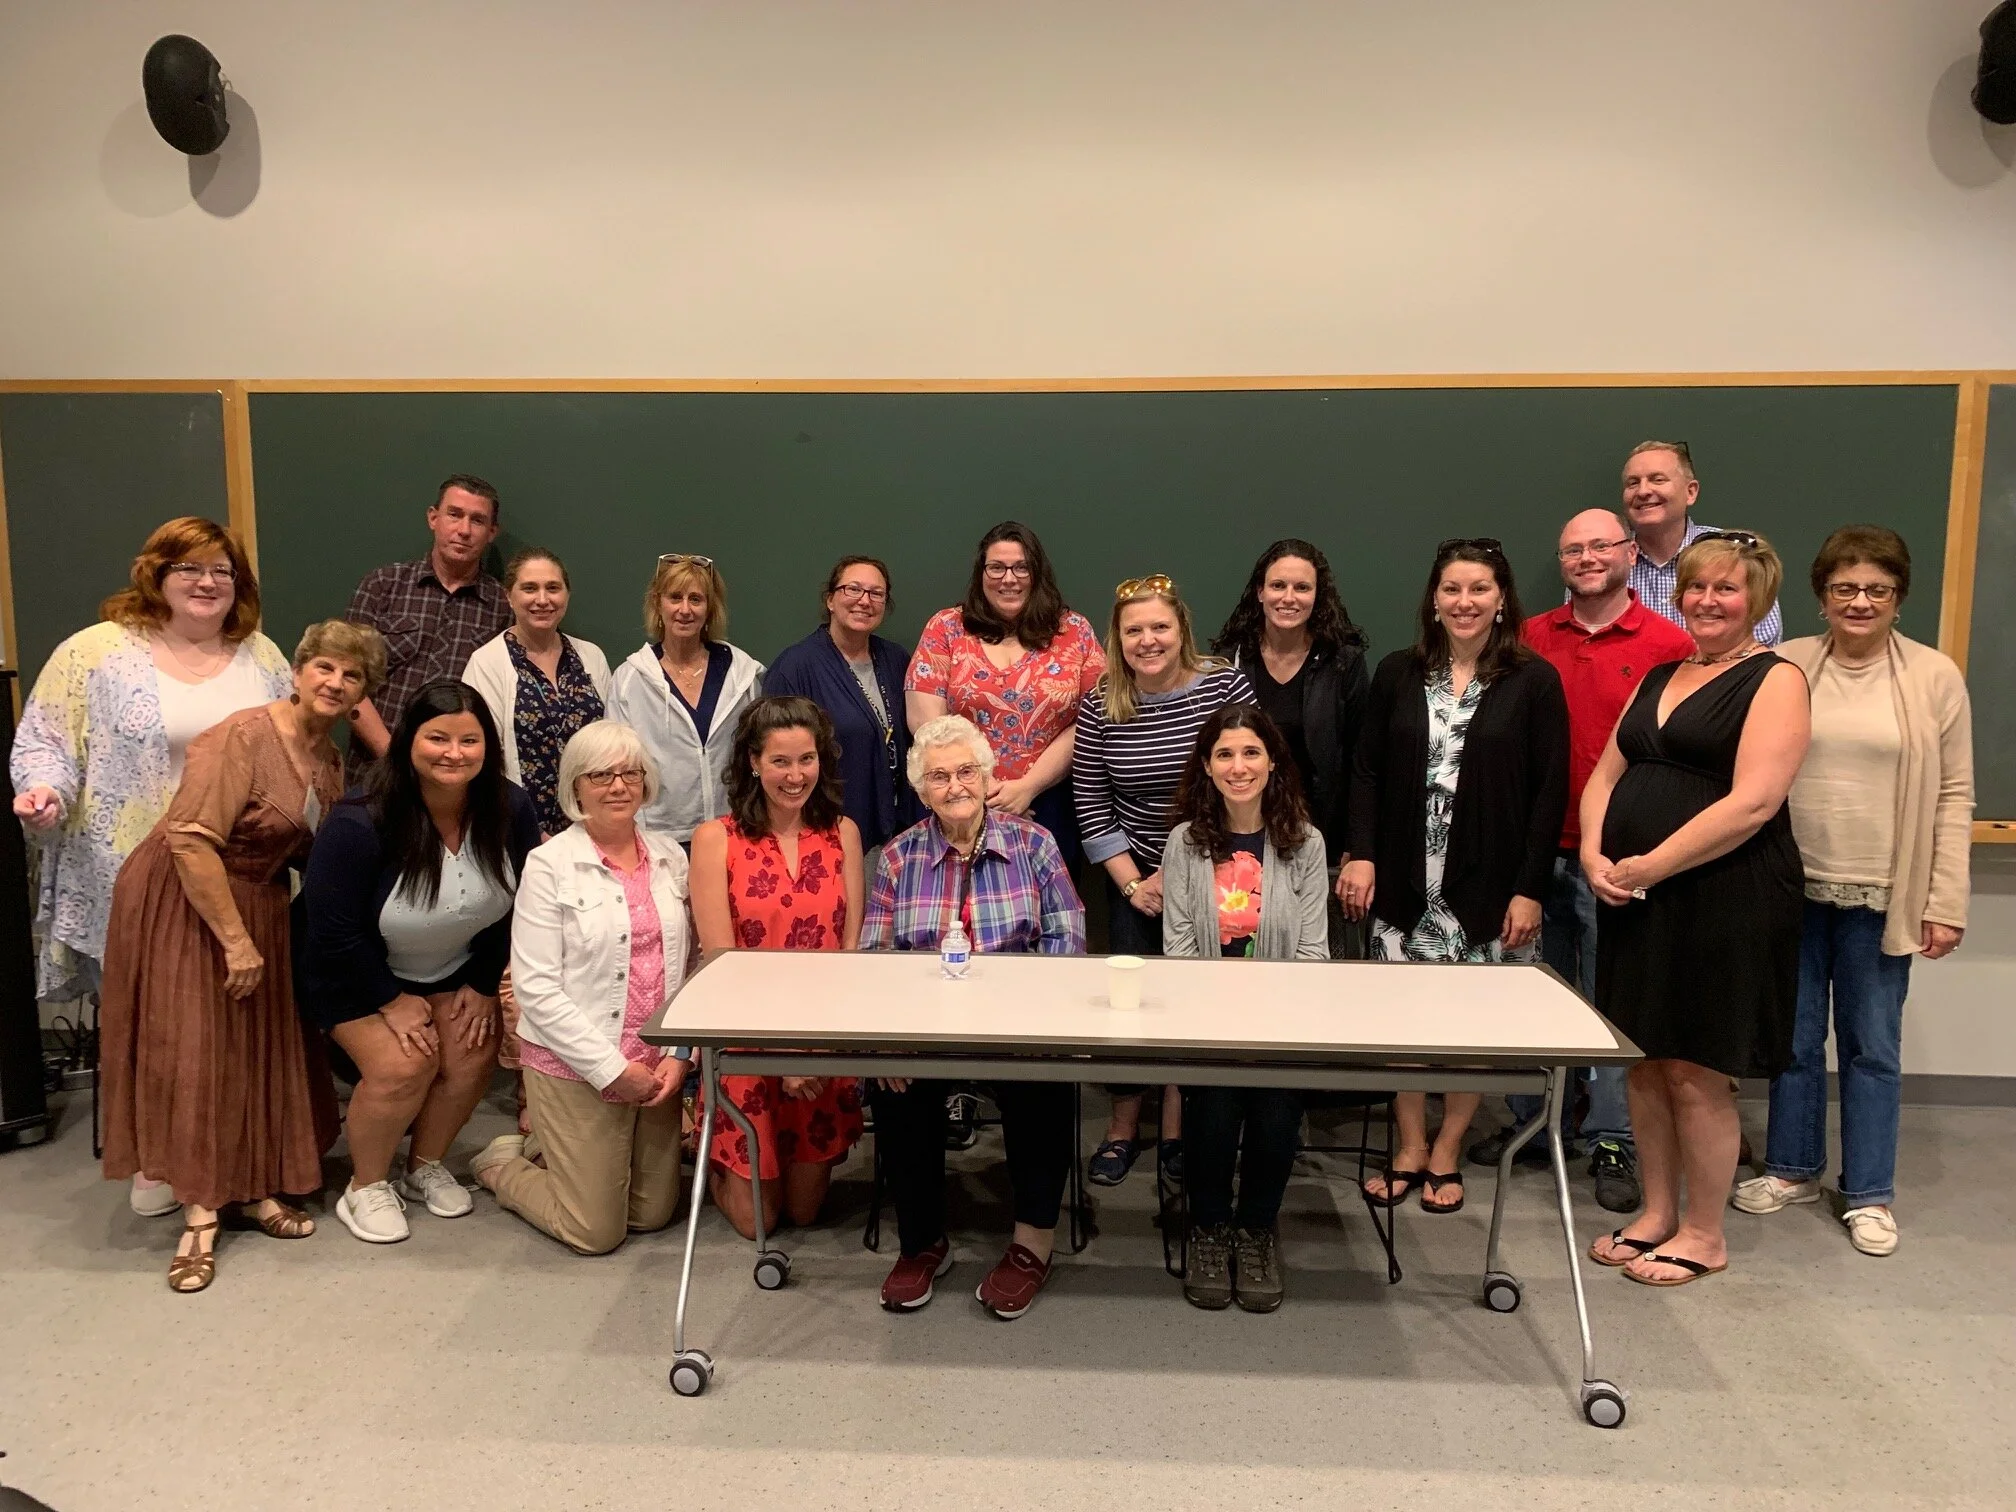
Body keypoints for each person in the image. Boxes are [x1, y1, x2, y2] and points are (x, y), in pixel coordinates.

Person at [10, 516, 291, 1218]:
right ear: (156, 575)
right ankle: (161, 1161)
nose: (206, 582)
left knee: (237, 1020)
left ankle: (238, 1155)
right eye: (188, 568)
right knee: (159, 1024)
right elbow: (46, 740)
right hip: (140, 872)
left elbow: (293, 747)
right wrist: (43, 791)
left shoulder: (262, 657)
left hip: (243, 872)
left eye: (221, 571)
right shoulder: (95, 654)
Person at [97, 622, 384, 1291]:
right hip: (190, 901)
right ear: (300, 670)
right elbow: (191, 840)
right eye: (325, 668)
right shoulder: (242, 736)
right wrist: (234, 939)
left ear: (361, 695)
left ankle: (255, 1190)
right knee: (199, 1050)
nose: (334, 683)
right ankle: (200, 1214)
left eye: (351, 677)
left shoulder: (331, 760)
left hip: (260, 901)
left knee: (256, 1047)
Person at [1735, 526, 1973, 1258]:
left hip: (1885, 891)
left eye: (1877, 590)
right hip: (1790, 887)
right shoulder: (1787, 664)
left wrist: (1946, 900)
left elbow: (1956, 793)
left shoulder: (1934, 677)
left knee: (1871, 1046)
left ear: (1899, 598)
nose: (1860, 602)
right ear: (1822, 595)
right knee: (1796, 1040)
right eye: (1845, 589)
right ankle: (1792, 1169)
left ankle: (1868, 1192)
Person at [1582, 530, 1809, 1286]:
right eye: (1696, 588)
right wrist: (1592, 852)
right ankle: (1655, 1214)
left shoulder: (1776, 680)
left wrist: (1651, 863)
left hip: (1725, 896)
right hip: (1638, 898)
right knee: (1645, 1063)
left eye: (1727, 590)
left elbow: (1754, 803)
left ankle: (1704, 1232)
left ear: (1758, 602)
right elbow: (1607, 775)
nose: (1708, 601)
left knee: (1697, 1070)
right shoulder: (1660, 673)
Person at [1471, 510, 1694, 1211]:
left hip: (1623, 861)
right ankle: (1535, 1125)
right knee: (1527, 993)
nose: (1588, 558)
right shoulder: (1528, 640)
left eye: (1601, 545)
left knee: (1610, 1003)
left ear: (1630, 552)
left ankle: (1612, 1137)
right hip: (1532, 855)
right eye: (1573, 549)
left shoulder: (1670, 644)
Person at [1342, 539, 1568, 1214]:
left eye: (1478, 590)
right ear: (1433, 600)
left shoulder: (1533, 680)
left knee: (1470, 1027)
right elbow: (1366, 772)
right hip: (1406, 885)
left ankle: (1450, 1146)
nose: (1464, 602)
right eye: (1451, 590)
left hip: (1487, 887)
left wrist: (1529, 887)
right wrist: (1360, 853)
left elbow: (1547, 792)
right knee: (1403, 1025)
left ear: (1501, 601)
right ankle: (1411, 1143)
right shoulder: (1396, 673)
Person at [298, 679, 541, 1245]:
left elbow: (523, 903)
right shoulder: (361, 820)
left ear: (488, 747)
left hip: (454, 966)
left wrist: (483, 983)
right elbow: (333, 931)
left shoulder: (511, 807)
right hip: (352, 973)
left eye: (469, 740)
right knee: (404, 1064)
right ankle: (367, 1184)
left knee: (474, 1053)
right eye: (438, 738)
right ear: (409, 740)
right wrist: (391, 1000)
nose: (453, 753)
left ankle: (423, 1165)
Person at [864, 715, 1086, 1320]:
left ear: (987, 776)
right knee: (895, 1084)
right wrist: (888, 1044)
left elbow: (1068, 939)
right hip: (926, 1030)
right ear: (921, 788)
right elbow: (874, 959)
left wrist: (1037, 1030)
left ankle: (1031, 1245)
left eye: (967, 771)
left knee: (1043, 1085)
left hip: (1019, 1028)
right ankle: (922, 1242)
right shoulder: (898, 857)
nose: (956, 785)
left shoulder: (1033, 845)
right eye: (939, 776)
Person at [470, 722, 695, 1255]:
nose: (618, 786)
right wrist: (611, 1069)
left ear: (645, 782)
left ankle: (557, 1153)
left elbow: (690, 965)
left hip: (655, 1065)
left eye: (630, 773)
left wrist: (679, 1054)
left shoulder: (670, 857)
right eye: (600, 775)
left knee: (652, 1214)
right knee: (595, 1232)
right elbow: (537, 991)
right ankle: (504, 1165)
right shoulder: (548, 866)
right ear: (576, 786)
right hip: (576, 1065)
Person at [1072, 574, 1253, 1187]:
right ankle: (1124, 1125)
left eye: (1160, 627)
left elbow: (1244, 776)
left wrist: (1180, 872)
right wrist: (1132, 884)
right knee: (1130, 1007)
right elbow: (1092, 801)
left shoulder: (1224, 684)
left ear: (1181, 630)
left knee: (1193, 1000)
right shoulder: (1101, 702)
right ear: (1116, 639)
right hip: (1133, 880)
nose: (1148, 640)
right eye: (1134, 630)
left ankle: (1177, 1125)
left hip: (1217, 870)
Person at [1162, 704, 1329, 1313]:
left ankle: (1256, 1229)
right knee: (1213, 1108)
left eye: (1251, 753)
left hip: (1281, 1019)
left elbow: (1313, 948)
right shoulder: (1186, 842)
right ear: (1207, 766)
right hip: (1208, 1017)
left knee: (1276, 1111)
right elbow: (1179, 943)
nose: (1239, 766)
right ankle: (1209, 1228)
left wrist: (1272, 1014)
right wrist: (1220, 1011)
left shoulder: (1304, 843)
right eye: (1225, 754)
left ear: (1272, 761)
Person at [690, 697, 866, 1239]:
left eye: (806, 760)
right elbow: (721, 966)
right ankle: (709, 1158)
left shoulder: (844, 834)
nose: (795, 776)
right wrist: (780, 1058)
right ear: (751, 762)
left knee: (806, 1214)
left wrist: (817, 1053)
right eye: (780, 762)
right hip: (749, 1039)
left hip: (819, 1039)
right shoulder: (714, 839)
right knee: (756, 1224)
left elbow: (849, 956)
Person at [1211, 538, 1371, 960]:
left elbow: (1362, 759)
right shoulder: (1230, 660)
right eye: (1278, 585)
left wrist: (1359, 843)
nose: (1289, 598)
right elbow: (1214, 753)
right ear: (1259, 591)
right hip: (1243, 832)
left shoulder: (1344, 662)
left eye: (1302, 587)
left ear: (1318, 596)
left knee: (1313, 952)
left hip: (1323, 837)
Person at [905, 521, 1104, 859]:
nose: (1008, 579)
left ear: (1037, 573)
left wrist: (1027, 787)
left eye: (1021, 567)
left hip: (1048, 805)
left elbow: (1093, 719)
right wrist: (986, 792)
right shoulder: (946, 628)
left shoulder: (1075, 631)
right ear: (981, 573)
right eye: (996, 567)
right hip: (957, 801)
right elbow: (927, 722)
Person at [762, 555, 920, 860]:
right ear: (830, 600)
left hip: (898, 833)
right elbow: (776, 759)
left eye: (876, 593)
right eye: (853, 589)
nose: (864, 600)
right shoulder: (794, 669)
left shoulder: (897, 661)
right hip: (825, 832)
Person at [343, 474, 512, 759]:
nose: (464, 530)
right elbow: (345, 678)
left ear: (492, 532)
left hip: (457, 769)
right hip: (375, 768)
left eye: (477, 520)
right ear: (433, 518)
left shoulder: (503, 606)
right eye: (454, 515)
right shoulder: (383, 585)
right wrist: (392, 757)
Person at [605, 554, 765, 844]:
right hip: (660, 838)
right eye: (675, 597)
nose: (684, 609)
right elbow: (618, 763)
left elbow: (757, 753)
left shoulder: (741, 674)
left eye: (696, 599)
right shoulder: (630, 679)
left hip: (732, 833)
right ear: (658, 602)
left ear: (710, 607)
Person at [462, 548, 613, 839]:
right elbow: (483, 759)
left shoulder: (591, 657)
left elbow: (610, 743)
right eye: (529, 588)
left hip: (595, 830)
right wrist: (532, 834)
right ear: (509, 595)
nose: (542, 600)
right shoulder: (487, 664)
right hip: (520, 832)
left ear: (567, 595)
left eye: (553, 588)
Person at [1620, 441, 1783, 645]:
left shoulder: (1734, 552)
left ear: (1691, 492)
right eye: (1632, 483)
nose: (1643, 491)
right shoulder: (1604, 564)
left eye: (1658, 479)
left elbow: (1762, 645)